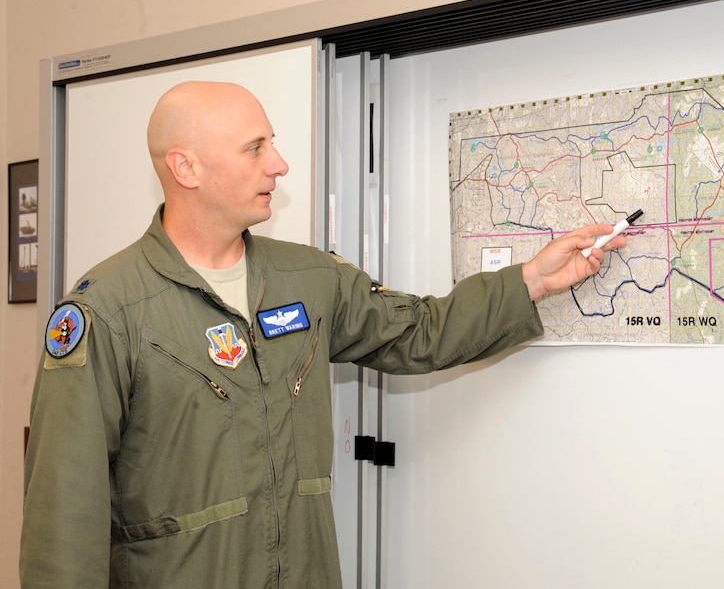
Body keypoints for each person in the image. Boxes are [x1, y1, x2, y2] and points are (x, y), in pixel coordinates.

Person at [20, 81, 626, 588]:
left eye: (273, 145)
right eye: (255, 148)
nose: (278, 164)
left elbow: (421, 332)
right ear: (187, 168)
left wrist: (531, 282)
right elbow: (62, 518)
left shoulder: (307, 278)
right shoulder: (110, 311)